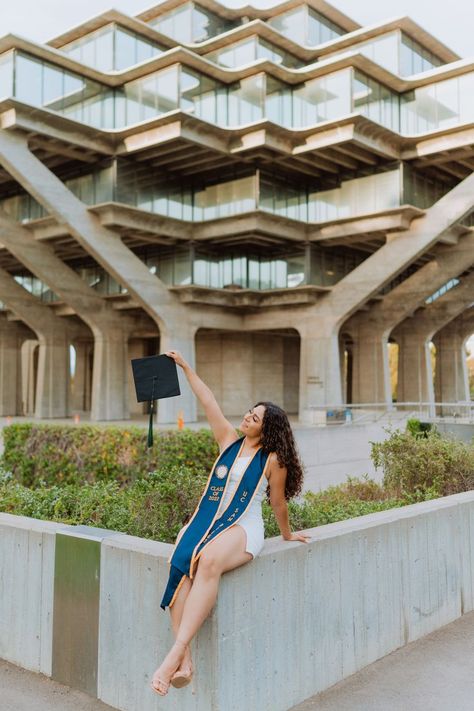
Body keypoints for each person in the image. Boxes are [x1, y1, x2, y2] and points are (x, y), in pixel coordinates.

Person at [151, 349, 311, 696]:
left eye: (255, 418)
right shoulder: (228, 441)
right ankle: (187, 661)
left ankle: (174, 654)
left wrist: (287, 534)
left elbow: (277, 501)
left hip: (244, 527)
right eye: (249, 413)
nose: (247, 418)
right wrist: (186, 366)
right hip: (208, 522)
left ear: (267, 429)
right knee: (181, 559)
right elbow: (207, 399)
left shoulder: (273, 459)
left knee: (207, 559)